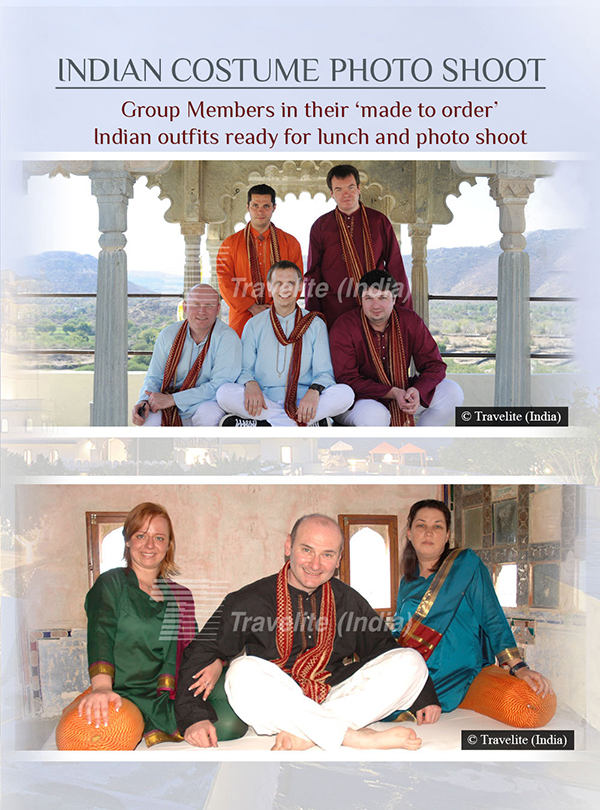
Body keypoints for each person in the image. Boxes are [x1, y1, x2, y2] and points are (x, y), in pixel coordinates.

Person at [175, 514, 439, 751]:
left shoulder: (347, 599)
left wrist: (423, 695)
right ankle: (352, 736)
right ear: (289, 546)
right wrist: (193, 716)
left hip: (332, 694)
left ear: (339, 559)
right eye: (307, 550)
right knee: (241, 672)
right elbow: (201, 650)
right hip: (278, 699)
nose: (315, 563)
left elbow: (383, 647)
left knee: (410, 661)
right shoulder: (249, 600)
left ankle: (309, 733)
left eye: (327, 554)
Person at [78, 502, 245, 747]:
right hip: (129, 691)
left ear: (168, 546)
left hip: (181, 686)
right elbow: (100, 633)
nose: (149, 545)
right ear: (127, 541)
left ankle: (191, 714)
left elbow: (194, 646)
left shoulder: (181, 595)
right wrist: (101, 687)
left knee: (232, 725)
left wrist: (216, 664)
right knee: (102, 736)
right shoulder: (111, 583)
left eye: (159, 537)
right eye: (140, 536)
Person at [392, 499, 553, 720]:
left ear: (447, 535)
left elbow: (491, 616)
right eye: (421, 525)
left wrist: (518, 667)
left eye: (437, 526)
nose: (428, 532)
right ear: (409, 533)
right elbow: (400, 630)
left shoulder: (466, 565)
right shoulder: (406, 581)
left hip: (455, 672)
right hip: (414, 671)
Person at [217, 261, 354, 426]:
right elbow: (244, 370)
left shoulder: (314, 323)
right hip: (264, 399)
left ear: (300, 287)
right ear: (269, 286)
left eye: (291, 283)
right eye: (278, 283)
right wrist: (251, 384)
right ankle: (303, 423)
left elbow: (324, 373)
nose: (285, 289)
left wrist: (314, 391)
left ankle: (266, 424)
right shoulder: (254, 324)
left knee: (346, 394)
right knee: (224, 393)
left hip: (303, 400)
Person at [330, 269, 464, 426]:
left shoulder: (409, 320)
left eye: (382, 297)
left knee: (452, 392)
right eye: (368, 298)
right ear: (361, 300)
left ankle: (421, 445)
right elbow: (347, 378)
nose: (375, 305)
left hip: (403, 391)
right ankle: (381, 451)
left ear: (394, 298)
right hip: (360, 399)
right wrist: (392, 392)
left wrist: (417, 391)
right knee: (375, 415)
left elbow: (435, 365)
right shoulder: (344, 326)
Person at [304, 164, 412, 328]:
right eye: (339, 189)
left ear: (359, 188)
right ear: (331, 194)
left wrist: (403, 310)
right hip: (334, 309)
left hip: (375, 308)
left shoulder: (378, 221)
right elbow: (313, 272)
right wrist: (313, 314)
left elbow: (395, 264)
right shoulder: (321, 226)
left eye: (351, 187)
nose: (346, 194)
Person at [132, 284, 241, 427]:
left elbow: (219, 385)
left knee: (209, 414)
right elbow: (154, 377)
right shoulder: (168, 335)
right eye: (196, 304)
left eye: (209, 305)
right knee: (149, 419)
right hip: (169, 402)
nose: (202, 311)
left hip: (206, 403)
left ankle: (208, 450)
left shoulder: (228, 338)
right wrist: (144, 400)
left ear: (218, 309)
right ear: (185, 307)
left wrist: (174, 399)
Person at [216, 184, 304, 337]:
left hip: (281, 317)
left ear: (274, 208)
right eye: (255, 205)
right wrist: (251, 306)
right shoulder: (230, 244)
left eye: (266, 206)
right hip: (243, 318)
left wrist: (277, 307)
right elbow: (225, 281)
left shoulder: (291, 243)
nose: (260, 211)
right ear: (248, 207)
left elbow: (297, 280)